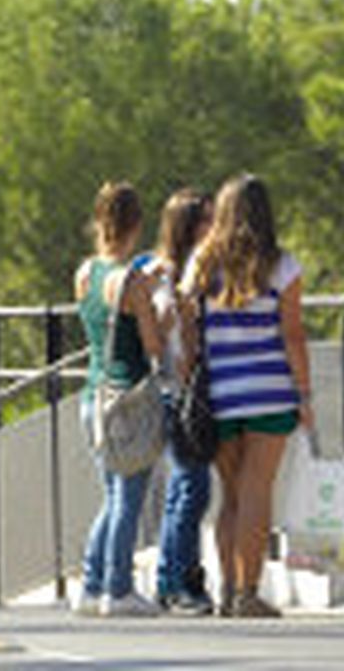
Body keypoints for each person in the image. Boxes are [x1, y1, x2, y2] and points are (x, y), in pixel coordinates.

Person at [184, 175, 311, 618]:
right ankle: (248, 592)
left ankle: (226, 590)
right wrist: (305, 393)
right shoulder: (282, 266)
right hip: (270, 392)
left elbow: (187, 330)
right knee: (258, 490)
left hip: (219, 392)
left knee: (231, 495)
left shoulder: (202, 262)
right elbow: (293, 336)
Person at [75, 183, 165, 617]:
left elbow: (99, 328)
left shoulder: (85, 273)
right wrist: (157, 302)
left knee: (111, 495)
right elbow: (154, 345)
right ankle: (118, 588)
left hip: (93, 396)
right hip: (129, 399)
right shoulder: (132, 284)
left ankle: (91, 584)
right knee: (128, 497)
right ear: (137, 224)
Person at [140, 188, 215, 615]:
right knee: (191, 486)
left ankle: (175, 578)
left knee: (184, 488)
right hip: (174, 390)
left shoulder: (204, 268)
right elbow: (161, 331)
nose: (212, 227)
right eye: (204, 220)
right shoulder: (164, 271)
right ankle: (178, 580)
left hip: (195, 389)